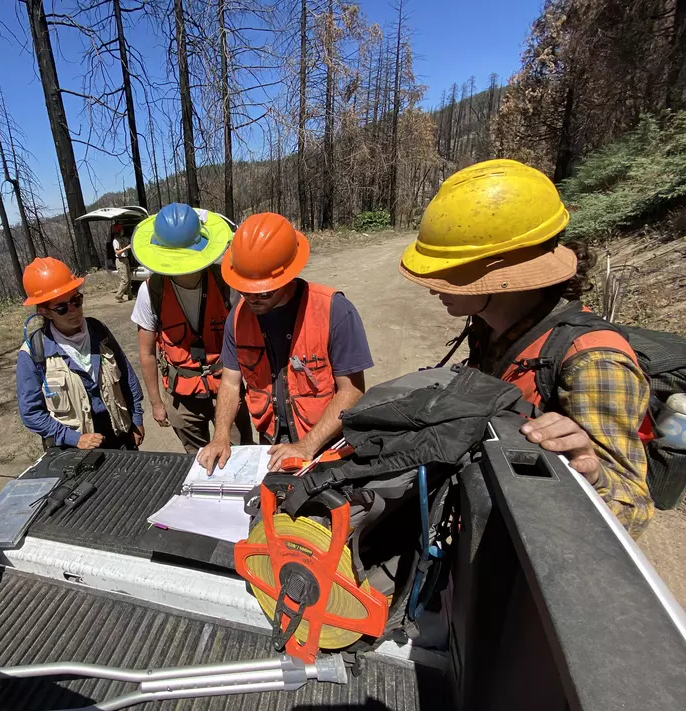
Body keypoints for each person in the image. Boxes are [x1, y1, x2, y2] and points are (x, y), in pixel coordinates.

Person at [399, 159, 653, 537]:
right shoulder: (489, 327)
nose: (434, 287)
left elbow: (634, 510)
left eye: (449, 275)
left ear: (502, 275)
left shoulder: (594, 361)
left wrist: (592, 470)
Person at [198, 213, 375, 473]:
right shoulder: (237, 319)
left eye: (263, 291)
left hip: (326, 444)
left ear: (287, 276)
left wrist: (306, 445)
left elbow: (351, 392)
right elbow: (230, 381)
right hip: (269, 444)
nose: (252, 298)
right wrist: (221, 435)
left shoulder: (334, 311)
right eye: (245, 290)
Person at [129, 203, 254, 453]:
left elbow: (249, 340)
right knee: (197, 462)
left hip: (227, 389)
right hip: (182, 399)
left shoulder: (227, 282)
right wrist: (156, 402)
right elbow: (147, 353)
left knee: (240, 458)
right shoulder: (150, 291)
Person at [17, 257, 145, 450]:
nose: (73, 310)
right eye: (62, 307)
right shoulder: (34, 352)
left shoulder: (98, 331)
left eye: (76, 300)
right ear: (46, 312)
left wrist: (136, 418)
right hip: (74, 448)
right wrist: (73, 438)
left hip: (119, 435)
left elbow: (128, 377)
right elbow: (31, 413)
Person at [113, 223, 132, 302]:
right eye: (122, 229)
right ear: (119, 231)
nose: (123, 231)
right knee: (125, 280)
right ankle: (118, 295)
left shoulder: (123, 239)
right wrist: (126, 248)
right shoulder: (115, 241)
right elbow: (117, 253)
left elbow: (130, 240)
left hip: (125, 259)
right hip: (120, 260)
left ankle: (130, 296)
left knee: (129, 279)